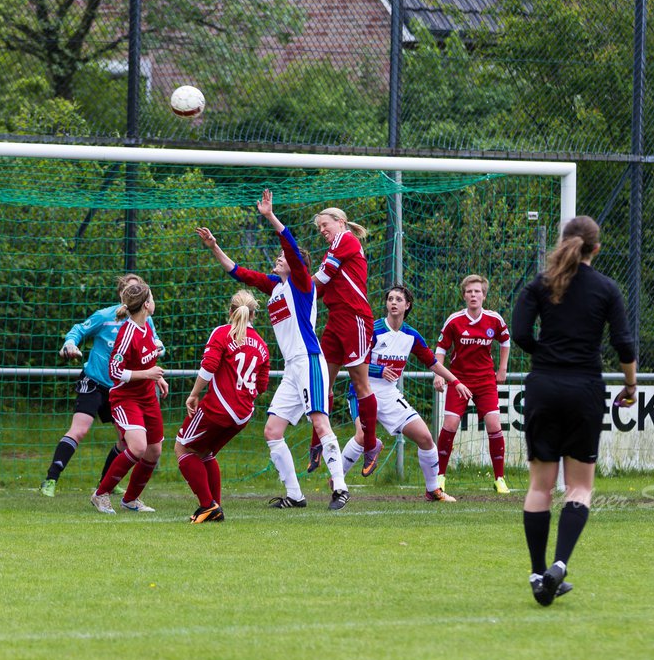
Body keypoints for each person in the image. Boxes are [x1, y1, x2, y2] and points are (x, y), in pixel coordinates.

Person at [196, 189, 353, 511]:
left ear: (297, 266)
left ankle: (340, 487)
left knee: (319, 422)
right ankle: (295, 495)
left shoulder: (301, 283)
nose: (278, 259)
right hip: (292, 368)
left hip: (309, 360)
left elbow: (291, 247)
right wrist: (214, 247)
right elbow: (238, 272)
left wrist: (269, 215)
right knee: (272, 430)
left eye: (282, 258)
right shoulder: (276, 287)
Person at [512, 216, 636, 606]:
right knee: (579, 487)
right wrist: (630, 386)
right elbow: (624, 344)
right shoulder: (606, 288)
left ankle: (537, 573)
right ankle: (559, 565)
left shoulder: (539, 283)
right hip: (584, 389)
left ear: (563, 242)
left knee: (539, 487)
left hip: (544, 387)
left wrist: (545, 355)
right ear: (595, 249)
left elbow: (519, 334)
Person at [338, 285, 470, 501]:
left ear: (407, 305)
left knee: (426, 438)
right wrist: (379, 369)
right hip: (363, 389)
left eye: (399, 299)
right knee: (362, 437)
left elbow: (432, 362)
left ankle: (433, 490)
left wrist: (455, 381)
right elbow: (353, 361)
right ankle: (337, 482)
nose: (393, 302)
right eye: (390, 298)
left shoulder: (411, 335)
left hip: (389, 395)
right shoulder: (374, 330)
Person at [40, 274, 157, 497]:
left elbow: (150, 349)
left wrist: (156, 372)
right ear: (122, 295)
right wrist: (70, 343)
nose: (137, 294)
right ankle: (50, 480)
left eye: (140, 290)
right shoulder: (105, 316)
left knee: (126, 441)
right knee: (80, 429)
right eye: (132, 290)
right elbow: (78, 330)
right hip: (94, 382)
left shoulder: (146, 320)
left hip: (120, 389)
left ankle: (106, 484)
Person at [175, 290, 272, 523]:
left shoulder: (222, 333)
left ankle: (207, 505)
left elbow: (208, 367)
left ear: (230, 311)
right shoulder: (261, 344)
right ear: (254, 316)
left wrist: (194, 394)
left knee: (182, 448)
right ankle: (215, 507)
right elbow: (262, 386)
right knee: (204, 452)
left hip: (218, 409)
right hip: (243, 415)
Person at [308, 206, 382, 477]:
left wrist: (293, 290)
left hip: (355, 320)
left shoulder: (346, 239)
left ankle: (371, 445)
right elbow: (321, 288)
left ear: (340, 222)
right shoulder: (334, 248)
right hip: (336, 320)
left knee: (360, 383)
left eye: (325, 225)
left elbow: (321, 279)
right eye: (319, 229)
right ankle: (318, 443)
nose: (323, 231)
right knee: (322, 383)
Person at [91, 280, 168, 514]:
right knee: (137, 447)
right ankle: (100, 494)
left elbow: (146, 360)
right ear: (146, 304)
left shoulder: (147, 328)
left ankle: (130, 499)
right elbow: (114, 371)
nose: (154, 302)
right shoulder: (128, 332)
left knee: (154, 451)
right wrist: (147, 374)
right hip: (126, 399)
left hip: (147, 398)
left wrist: (158, 378)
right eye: (152, 298)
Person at [434, 275, 513, 493]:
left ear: (484, 295)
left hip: (486, 380)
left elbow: (505, 340)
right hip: (459, 380)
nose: (473, 295)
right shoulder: (454, 321)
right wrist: (439, 374)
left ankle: (499, 479)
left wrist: (503, 368)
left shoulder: (494, 319)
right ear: (464, 295)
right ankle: (439, 477)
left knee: (494, 425)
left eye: (477, 291)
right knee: (449, 425)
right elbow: (440, 349)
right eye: (469, 291)